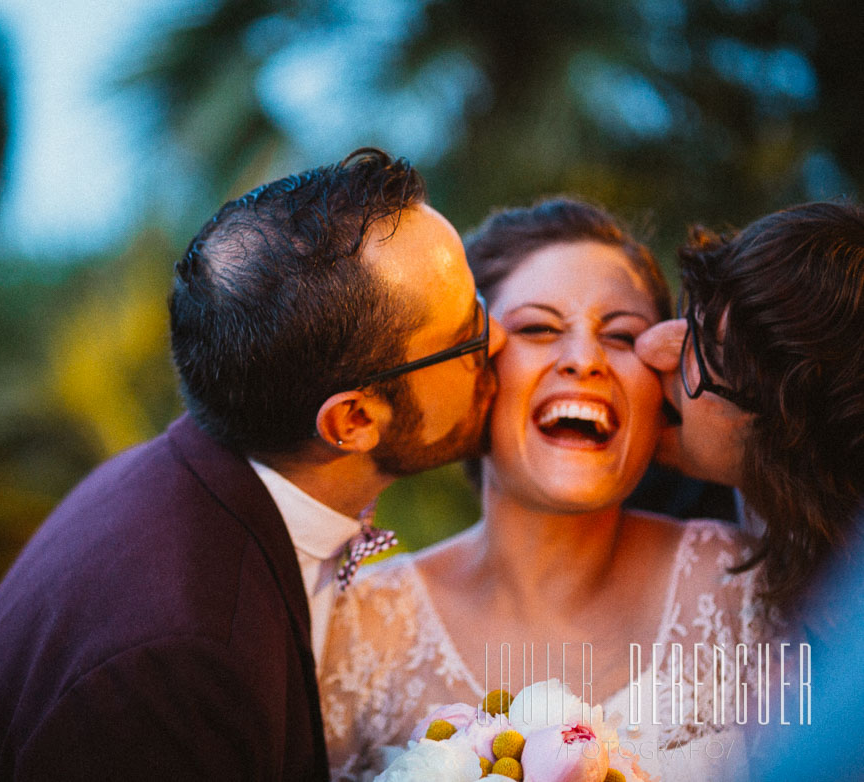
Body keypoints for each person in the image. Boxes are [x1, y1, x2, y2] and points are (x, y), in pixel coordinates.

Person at [0, 148, 504, 780]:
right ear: (351, 421)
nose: (502, 340)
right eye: (468, 336)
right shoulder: (182, 663)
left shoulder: (171, 485)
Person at [318, 198, 777, 782]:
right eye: (537, 328)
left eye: (621, 335)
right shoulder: (359, 631)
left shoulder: (745, 583)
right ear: (471, 375)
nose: (585, 360)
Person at [632, 200, 864, 777]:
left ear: (785, 444)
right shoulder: (650, 493)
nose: (652, 345)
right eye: (693, 311)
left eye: (702, 356)